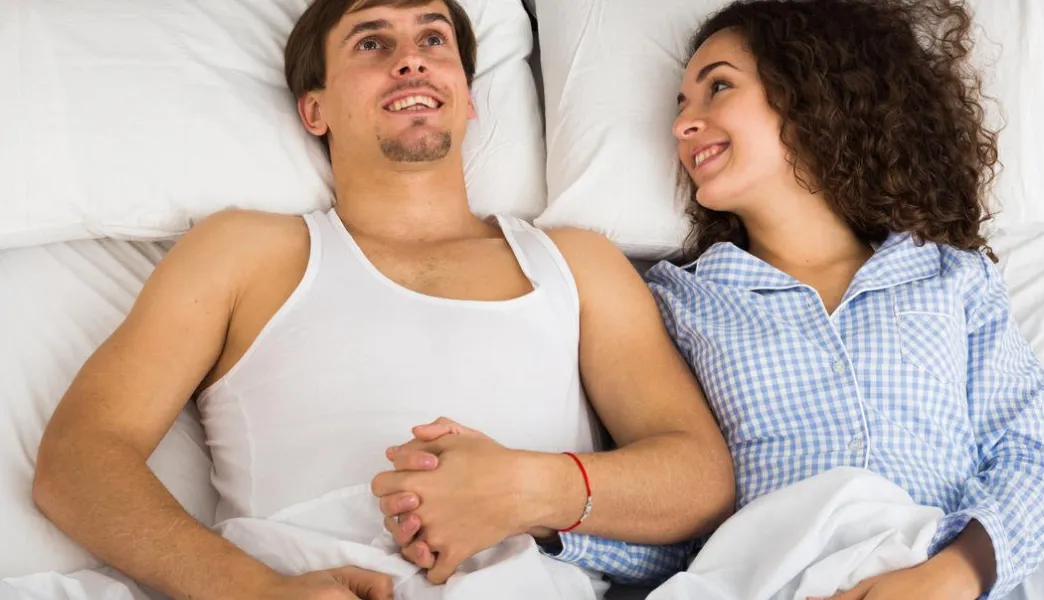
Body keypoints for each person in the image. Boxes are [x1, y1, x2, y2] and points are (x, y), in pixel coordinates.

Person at [31, 0, 735, 598]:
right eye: (374, 42)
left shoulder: (578, 263)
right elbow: (79, 460)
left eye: (434, 39)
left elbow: (700, 478)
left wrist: (527, 488)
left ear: (468, 94)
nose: (411, 59)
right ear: (315, 108)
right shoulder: (243, 252)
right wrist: (252, 591)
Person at [641, 0, 1044, 598]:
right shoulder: (676, 303)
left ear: (809, 92)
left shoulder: (951, 279)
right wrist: (535, 515)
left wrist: (949, 578)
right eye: (681, 104)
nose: (682, 125)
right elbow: (661, 509)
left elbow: (1034, 461)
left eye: (718, 86)